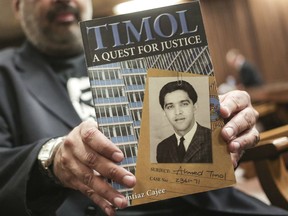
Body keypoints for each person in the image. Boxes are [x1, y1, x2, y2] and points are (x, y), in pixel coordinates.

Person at [0, 0, 287, 216]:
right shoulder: (5, 75)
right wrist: (49, 159)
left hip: (202, 203)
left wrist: (227, 126)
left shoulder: (139, 49)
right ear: (17, 7)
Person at [156, 80, 212, 163]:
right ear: (164, 112)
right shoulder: (162, 148)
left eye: (184, 104)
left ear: (194, 107)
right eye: (170, 107)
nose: (178, 112)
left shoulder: (213, 140)